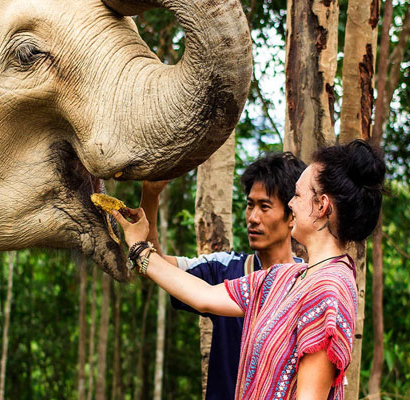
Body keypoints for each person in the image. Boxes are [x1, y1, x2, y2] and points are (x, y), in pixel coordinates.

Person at [113, 140, 385, 399]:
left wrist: (140, 248)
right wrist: (139, 248)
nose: (291, 203)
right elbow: (204, 295)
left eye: (298, 195)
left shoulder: (328, 289)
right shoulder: (284, 278)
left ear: (322, 206)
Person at [139, 152, 306, 400]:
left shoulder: (309, 283)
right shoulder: (225, 269)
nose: (253, 218)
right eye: (250, 205)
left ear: (291, 215)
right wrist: (150, 196)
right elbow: (157, 266)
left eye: (264, 207)